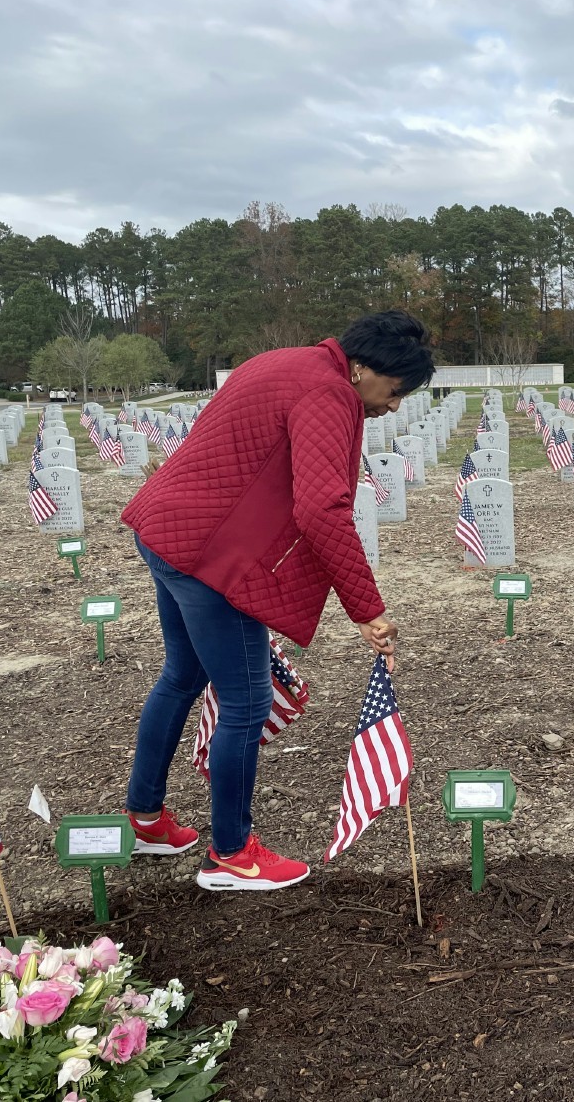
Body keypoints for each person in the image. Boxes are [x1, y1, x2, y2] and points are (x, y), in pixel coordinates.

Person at [119, 311, 435, 892]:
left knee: (181, 677)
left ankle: (144, 820)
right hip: (215, 559)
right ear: (363, 368)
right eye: (394, 392)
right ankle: (232, 855)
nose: (394, 407)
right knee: (245, 702)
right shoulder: (329, 393)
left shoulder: (280, 361)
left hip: (167, 531)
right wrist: (367, 608)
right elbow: (323, 508)